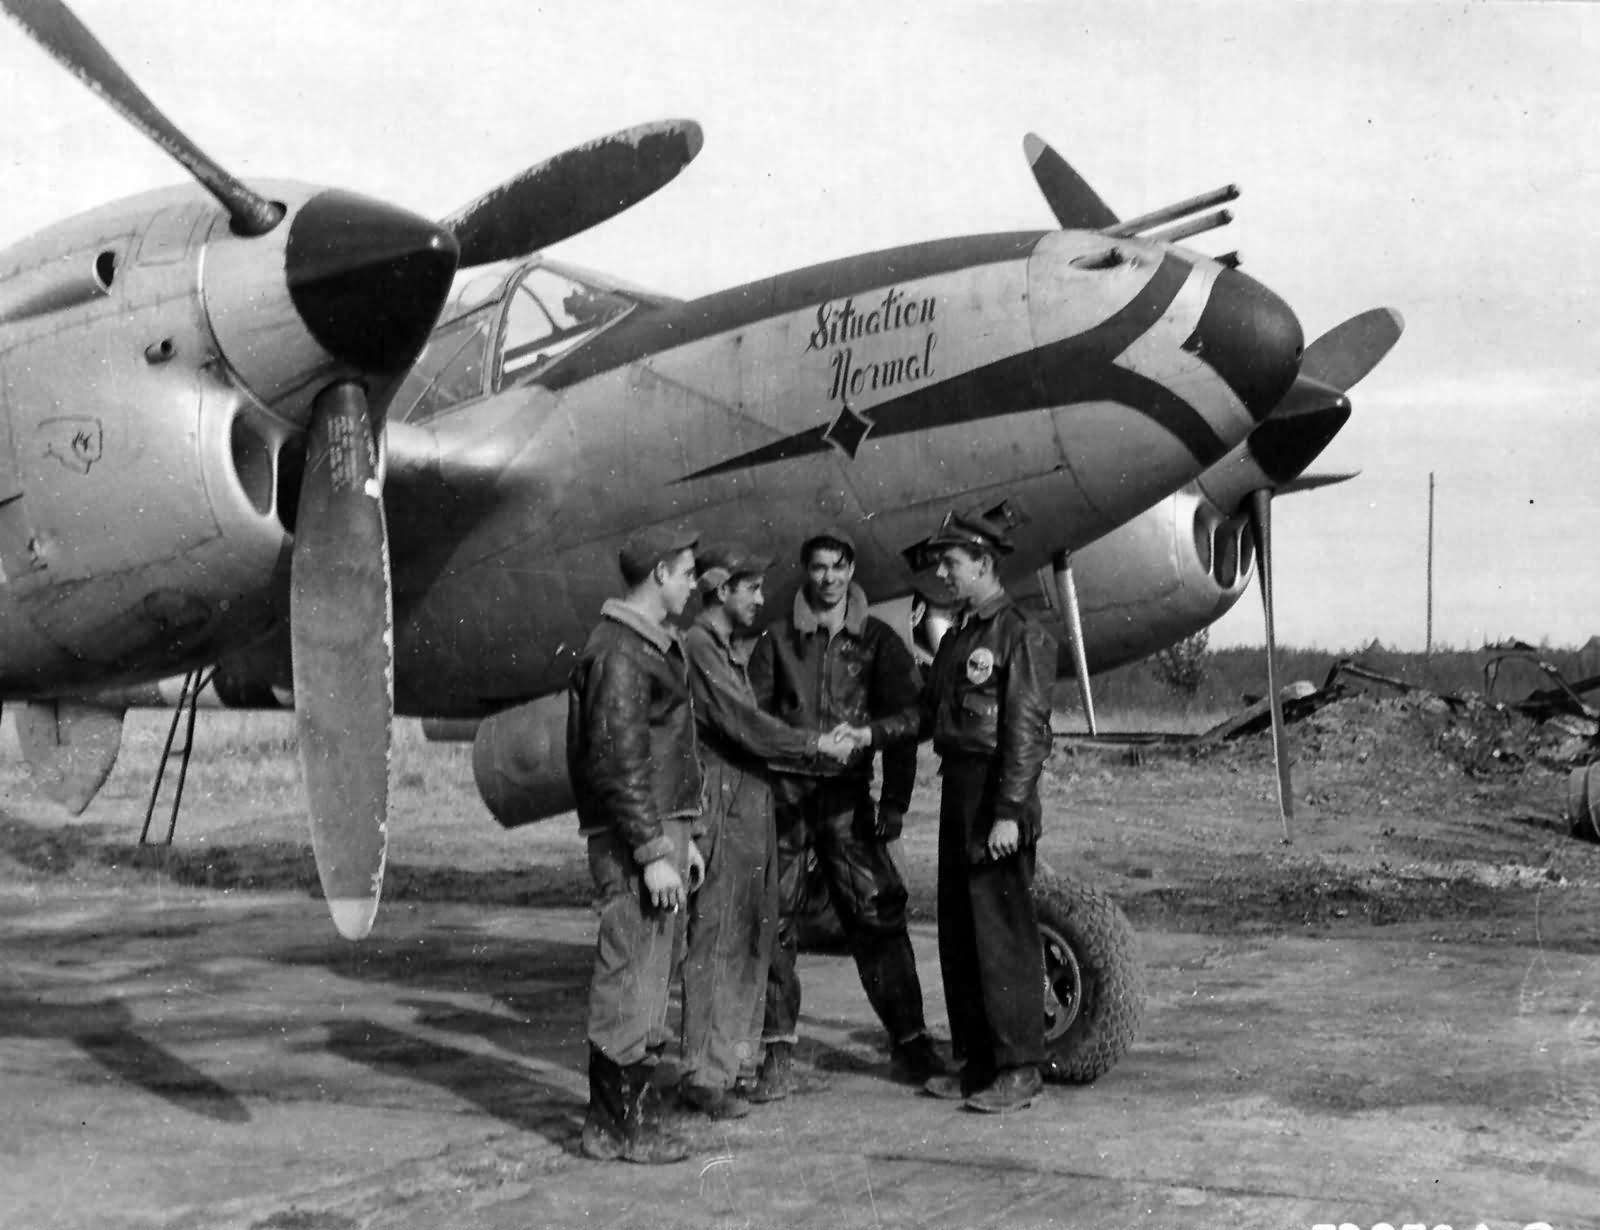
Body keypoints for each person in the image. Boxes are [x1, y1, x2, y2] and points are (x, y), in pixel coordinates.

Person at [856, 509, 1057, 1113]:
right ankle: (977, 1062)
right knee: (961, 935)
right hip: (960, 791)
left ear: (985, 565)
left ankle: (1019, 1068)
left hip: (997, 792)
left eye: (952, 563)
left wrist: (1009, 811)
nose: (942, 572)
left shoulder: (1020, 634)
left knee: (1003, 937)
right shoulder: (960, 637)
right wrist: (868, 736)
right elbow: (927, 715)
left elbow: (1026, 731)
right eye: (941, 562)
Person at [747, 526, 949, 1100]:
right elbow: (753, 722)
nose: (828, 579)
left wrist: (894, 803)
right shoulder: (777, 642)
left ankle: (911, 1043)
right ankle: (777, 1052)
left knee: (878, 920)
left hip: (847, 807)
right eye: (817, 569)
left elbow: (909, 722)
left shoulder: (879, 642)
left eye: (838, 567)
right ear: (805, 573)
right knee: (774, 924)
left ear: (851, 570)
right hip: (786, 806)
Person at [677, 544, 854, 1119]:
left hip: (752, 807)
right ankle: (704, 1075)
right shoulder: (702, 647)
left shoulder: (725, 648)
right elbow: (743, 724)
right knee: (719, 942)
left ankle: (724, 1067)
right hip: (726, 810)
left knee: (749, 939)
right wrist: (813, 744)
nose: (760, 599)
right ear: (720, 591)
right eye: (749, 588)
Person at [567, 525, 705, 1164]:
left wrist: (684, 839)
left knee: (649, 981)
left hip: (657, 830)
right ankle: (614, 1127)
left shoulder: (647, 647)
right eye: (686, 572)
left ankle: (628, 1122)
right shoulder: (622, 653)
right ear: (657, 575)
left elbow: (661, 757)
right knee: (629, 978)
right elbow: (618, 764)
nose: (693, 584)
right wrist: (652, 853)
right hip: (634, 841)